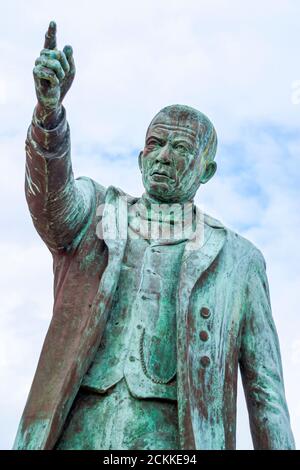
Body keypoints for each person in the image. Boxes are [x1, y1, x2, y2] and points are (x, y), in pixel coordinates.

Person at [14, 22, 295, 450]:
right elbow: (49, 200)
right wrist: (48, 115)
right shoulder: (94, 214)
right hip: (75, 430)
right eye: (156, 143)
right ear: (141, 155)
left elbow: (266, 395)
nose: (164, 156)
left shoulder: (239, 261)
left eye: (181, 149)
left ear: (207, 171)